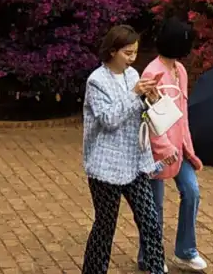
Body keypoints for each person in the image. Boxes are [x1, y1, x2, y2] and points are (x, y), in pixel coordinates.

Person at [82, 24, 173, 274]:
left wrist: (151, 100)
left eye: (134, 53)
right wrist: (135, 96)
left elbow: (140, 114)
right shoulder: (96, 81)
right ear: (112, 51)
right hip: (105, 167)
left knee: (150, 222)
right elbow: (109, 120)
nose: (132, 58)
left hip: (135, 163)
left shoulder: (133, 75)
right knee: (105, 227)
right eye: (127, 53)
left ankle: (156, 268)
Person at [137, 19, 206, 272]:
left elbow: (182, 113)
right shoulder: (151, 73)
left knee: (192, 192)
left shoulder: (181, 70)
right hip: (158, 152)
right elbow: (151, 117)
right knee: (153, 206)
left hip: (180, 149)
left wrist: (187, 148)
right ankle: (149, 257)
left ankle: (185, 251)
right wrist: (165, 149)